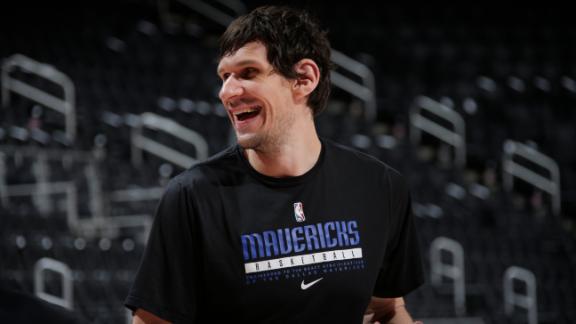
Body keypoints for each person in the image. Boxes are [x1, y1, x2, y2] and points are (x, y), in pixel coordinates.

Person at [125, 5, 424, 323]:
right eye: (224, 77)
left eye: (248, 73)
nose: (226, 92)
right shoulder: (193, 196)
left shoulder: (379, 187)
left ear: (304, 78)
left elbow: (388, 308)